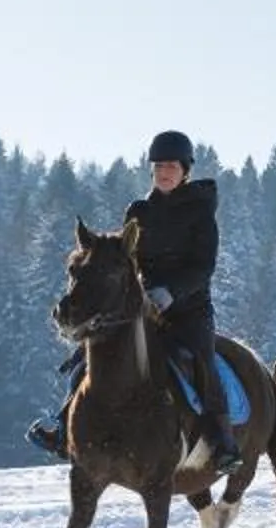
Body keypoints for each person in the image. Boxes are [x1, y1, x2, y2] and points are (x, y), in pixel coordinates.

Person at [30, 130, 240, 474]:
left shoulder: (201, 212)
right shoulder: (139, 210)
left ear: (185, 170)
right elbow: (125, 257)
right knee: (89, 353)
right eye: (159, 166)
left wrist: (170, 292)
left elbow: (203, 267)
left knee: (202, 360)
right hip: (142, 306)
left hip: (188, 310)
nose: (164, 173)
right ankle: (64, 426)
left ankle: (222, 441)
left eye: (172, 166)